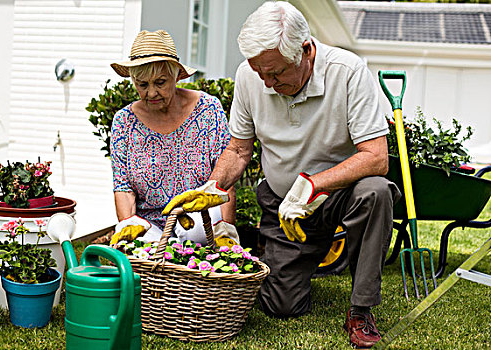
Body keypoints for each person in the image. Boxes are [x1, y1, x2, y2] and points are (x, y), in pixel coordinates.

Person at [162, 2, 401, 349]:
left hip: (338, 198)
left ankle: (361, 308)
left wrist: (314, 184)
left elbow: (376, 158)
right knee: (280, 306)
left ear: (305, 51)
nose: (268, 83)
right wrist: (214, 186)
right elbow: (239, 149)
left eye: (275, 73)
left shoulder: (348, 71)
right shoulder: (250, 76)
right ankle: (309, 260)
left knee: (376, 191)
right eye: (261, 72)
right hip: (281, 205)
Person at [108, 29, 238, 246]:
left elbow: (226, 182)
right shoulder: (124, 122)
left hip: (200, 220)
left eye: (160, 82)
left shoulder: (208, 110)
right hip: (150, 226)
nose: (151, 93)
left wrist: (226, 230)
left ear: (176, 76)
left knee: (195, 231)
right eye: (142, 84)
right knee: (138, 245)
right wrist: (128, 223)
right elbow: (123, 188)